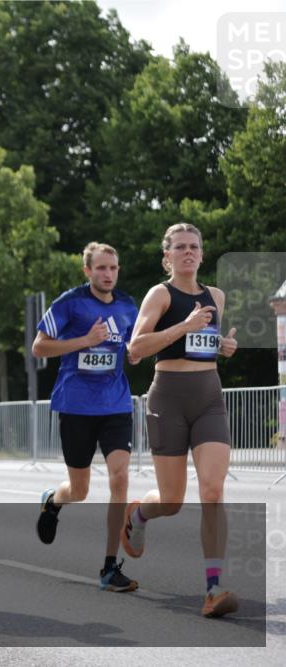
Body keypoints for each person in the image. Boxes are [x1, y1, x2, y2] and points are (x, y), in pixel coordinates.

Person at [125, 222, 240, 618]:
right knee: (172, 500)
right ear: (167, 256)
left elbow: (204, 347)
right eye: (180, 247)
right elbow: (136, 348)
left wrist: (223, 347)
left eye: (194, 247)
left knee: (212, 491)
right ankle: (139, 513)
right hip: (168, 399)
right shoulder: (160, 294)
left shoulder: (217, 297)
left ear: (203, 254)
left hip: (209, 398)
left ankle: (213, 588)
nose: (188, 252)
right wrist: (185, 326)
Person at [32, 242, 140, 593]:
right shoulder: (70, 302)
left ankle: (109, 568)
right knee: (79, 491)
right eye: (101, 268)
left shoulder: (128, 305)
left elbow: (136, 345)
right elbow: (39, 346)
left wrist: (136, 353)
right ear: (87, 271)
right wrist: (84, 340)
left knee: (120, 478)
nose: (107, 274)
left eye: (113, 268)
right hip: (76, 405)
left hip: (116, 404)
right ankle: (53, 501)